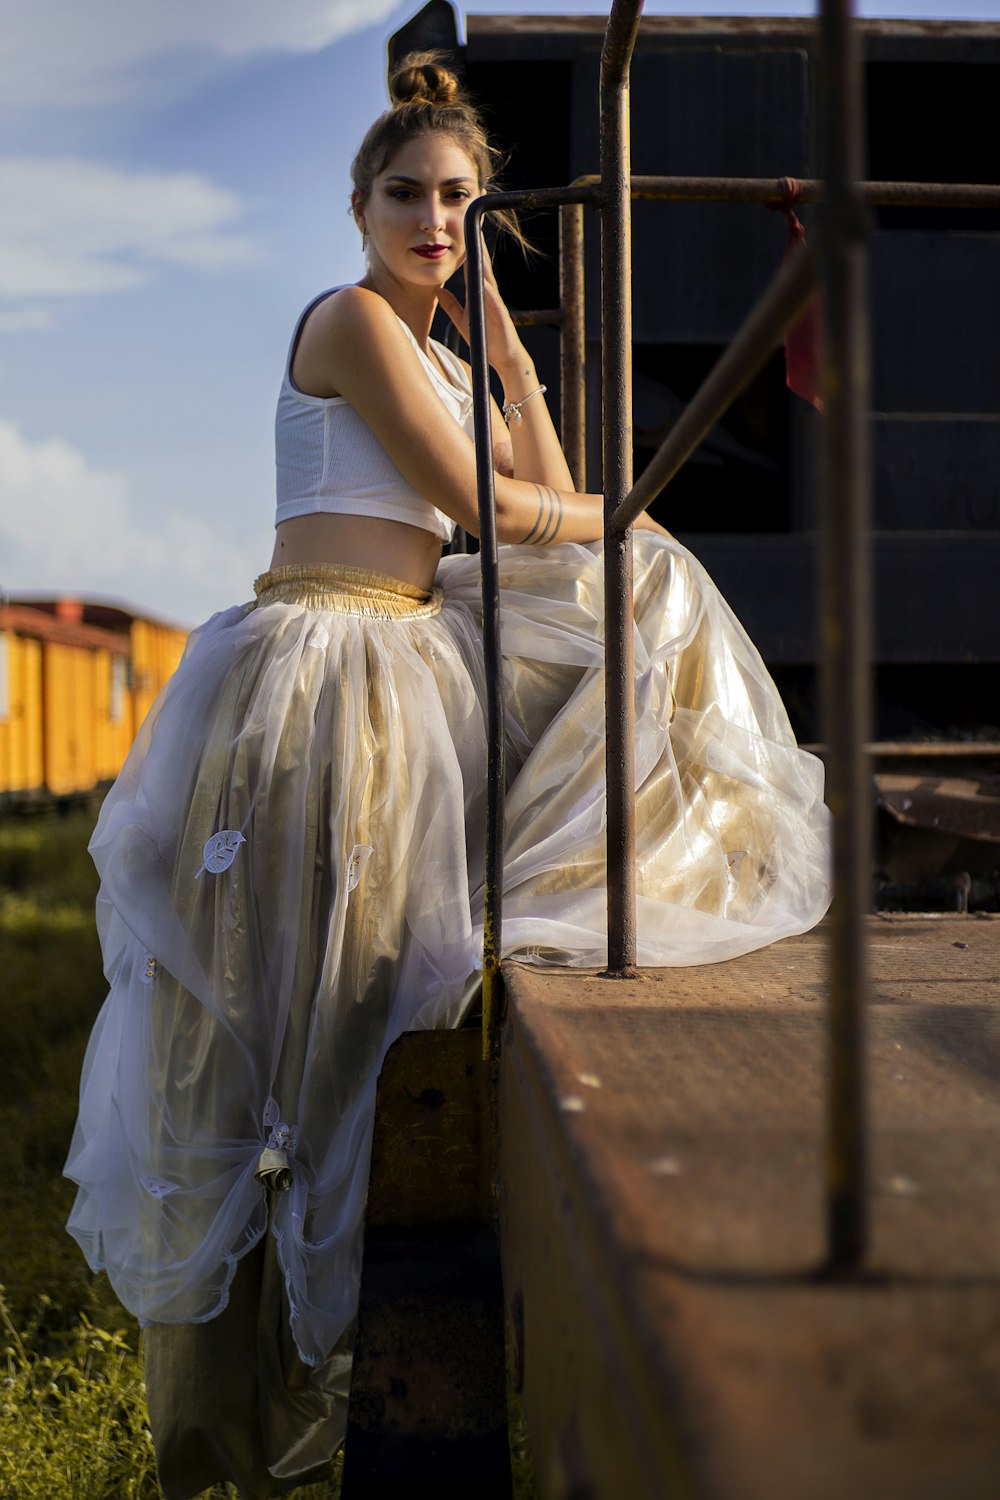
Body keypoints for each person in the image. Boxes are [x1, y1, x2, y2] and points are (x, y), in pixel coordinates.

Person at [64, 50, 831, 1500]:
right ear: (359, 206)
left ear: (488, 219)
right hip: (313, 681)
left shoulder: (453, 354)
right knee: (264, 1043)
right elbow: (489, 504)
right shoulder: (351, 321)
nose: (433, 219)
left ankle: (324, 1407)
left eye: (462, 201)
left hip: (401, 668)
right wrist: (623, 507)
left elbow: (524, 465)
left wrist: (518, 358)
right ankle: (212, 1438)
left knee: (358, 1032)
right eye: (408, 194)